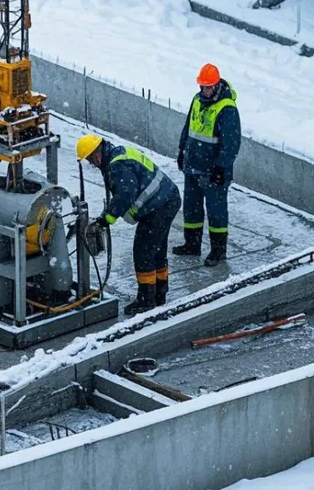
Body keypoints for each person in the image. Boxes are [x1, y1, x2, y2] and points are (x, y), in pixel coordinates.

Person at [76, 134, 181, 315]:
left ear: (96, 153)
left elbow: (125, 195)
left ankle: (146, 300)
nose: (92, 164)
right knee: (157, 250)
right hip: (168, 198)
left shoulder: (116, 165)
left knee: (143, 252)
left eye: (90, 159)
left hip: (158, 206)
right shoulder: (119, 153)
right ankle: (159, 293)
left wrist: (106, 219)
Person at [174, 63, 241, 267]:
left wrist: (221, 167)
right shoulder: (197, 100)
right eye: (202, 86)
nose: (205, 90)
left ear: (217, 85)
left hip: (213, 171)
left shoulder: (227, 108)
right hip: (193, 165)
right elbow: (188, 128)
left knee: (216, 212)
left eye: (208, 86)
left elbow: (231, 143)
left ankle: (218, 251)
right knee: (191, 208)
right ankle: (192, 244)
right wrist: (182, 150)